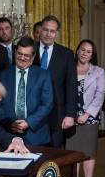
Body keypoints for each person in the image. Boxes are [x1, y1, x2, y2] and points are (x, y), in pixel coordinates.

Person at [65, 40, 105, 177]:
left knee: (88, 154)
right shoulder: (69, 68)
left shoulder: (98, 71)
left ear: (92, 54)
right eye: (82, 50)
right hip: (70, 117)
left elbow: (100, 95)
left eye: (89, 51)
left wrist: (87, 114)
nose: (85, 53)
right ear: (77, 50)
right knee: (73, 154)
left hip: (90, 117)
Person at [0, 36, 53, 145]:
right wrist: (8, 123)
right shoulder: (2, 75)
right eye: (19, 53)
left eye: (26, 55)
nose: (22, 58)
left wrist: (28, 122)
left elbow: (47, 104)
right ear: (15, 52)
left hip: (36, 136)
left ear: (33, 57)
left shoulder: (43, 75)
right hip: (9, 135)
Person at [33, 15, 77, 147]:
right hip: (32, 114)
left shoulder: (67, 54)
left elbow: (71, 86)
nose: (48, 34)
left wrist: (70, 114)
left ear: (57, 33)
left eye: (52, 31)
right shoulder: (28, 50)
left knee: (55, 158)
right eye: (45, 30)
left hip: (57, 116)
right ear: (40, 30)